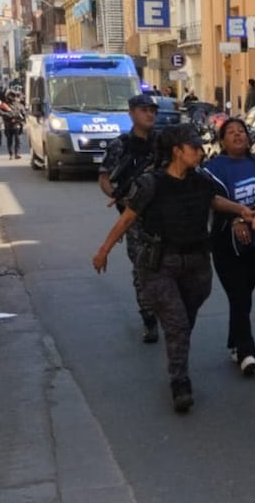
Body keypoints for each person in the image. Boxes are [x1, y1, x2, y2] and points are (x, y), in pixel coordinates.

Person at [93, 124, 255, 412]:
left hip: (197, 263)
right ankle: (179, 381)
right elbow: (127, 218)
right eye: (193, 147)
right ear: (177, 151)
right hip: (161, 264)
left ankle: (177, 351)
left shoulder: (199, 180)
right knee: (177, 323)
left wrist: (242, 210)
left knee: (184, 321)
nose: (199, 151)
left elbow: (215, 201)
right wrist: (104, 250)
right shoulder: (152, 183)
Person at [203, 118, 255, 376]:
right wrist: (237, 217)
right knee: (238, 294)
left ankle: (233, 341)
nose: (237, 136)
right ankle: (247, 352)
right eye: (230, 133)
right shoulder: (213, 167)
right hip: (227, 243)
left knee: (243, 295)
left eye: (241, 132)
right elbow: (212, 201)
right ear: (222, 141)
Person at [98, 94, 161, 343]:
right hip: (134, 218)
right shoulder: (120, 145)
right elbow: (104, 178)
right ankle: (148, 317)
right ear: (132, 113)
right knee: (142, 268)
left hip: (163, 213)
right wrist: (119, 196)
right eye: (144, 110)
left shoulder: (163, 142)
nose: (150, 114)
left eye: (152, 110)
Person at [0, 91, 26, 159]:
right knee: (9, 140)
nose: (12, 97)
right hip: (8, 124)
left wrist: (21, 119)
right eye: (10, 96)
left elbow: (23, 113)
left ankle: (17, 153)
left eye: (13, 96)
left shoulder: (19, 105)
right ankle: (11, 154)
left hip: (17, 124)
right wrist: (9, 115)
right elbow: (0, 112)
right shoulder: (4, 105)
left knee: (17, 140)